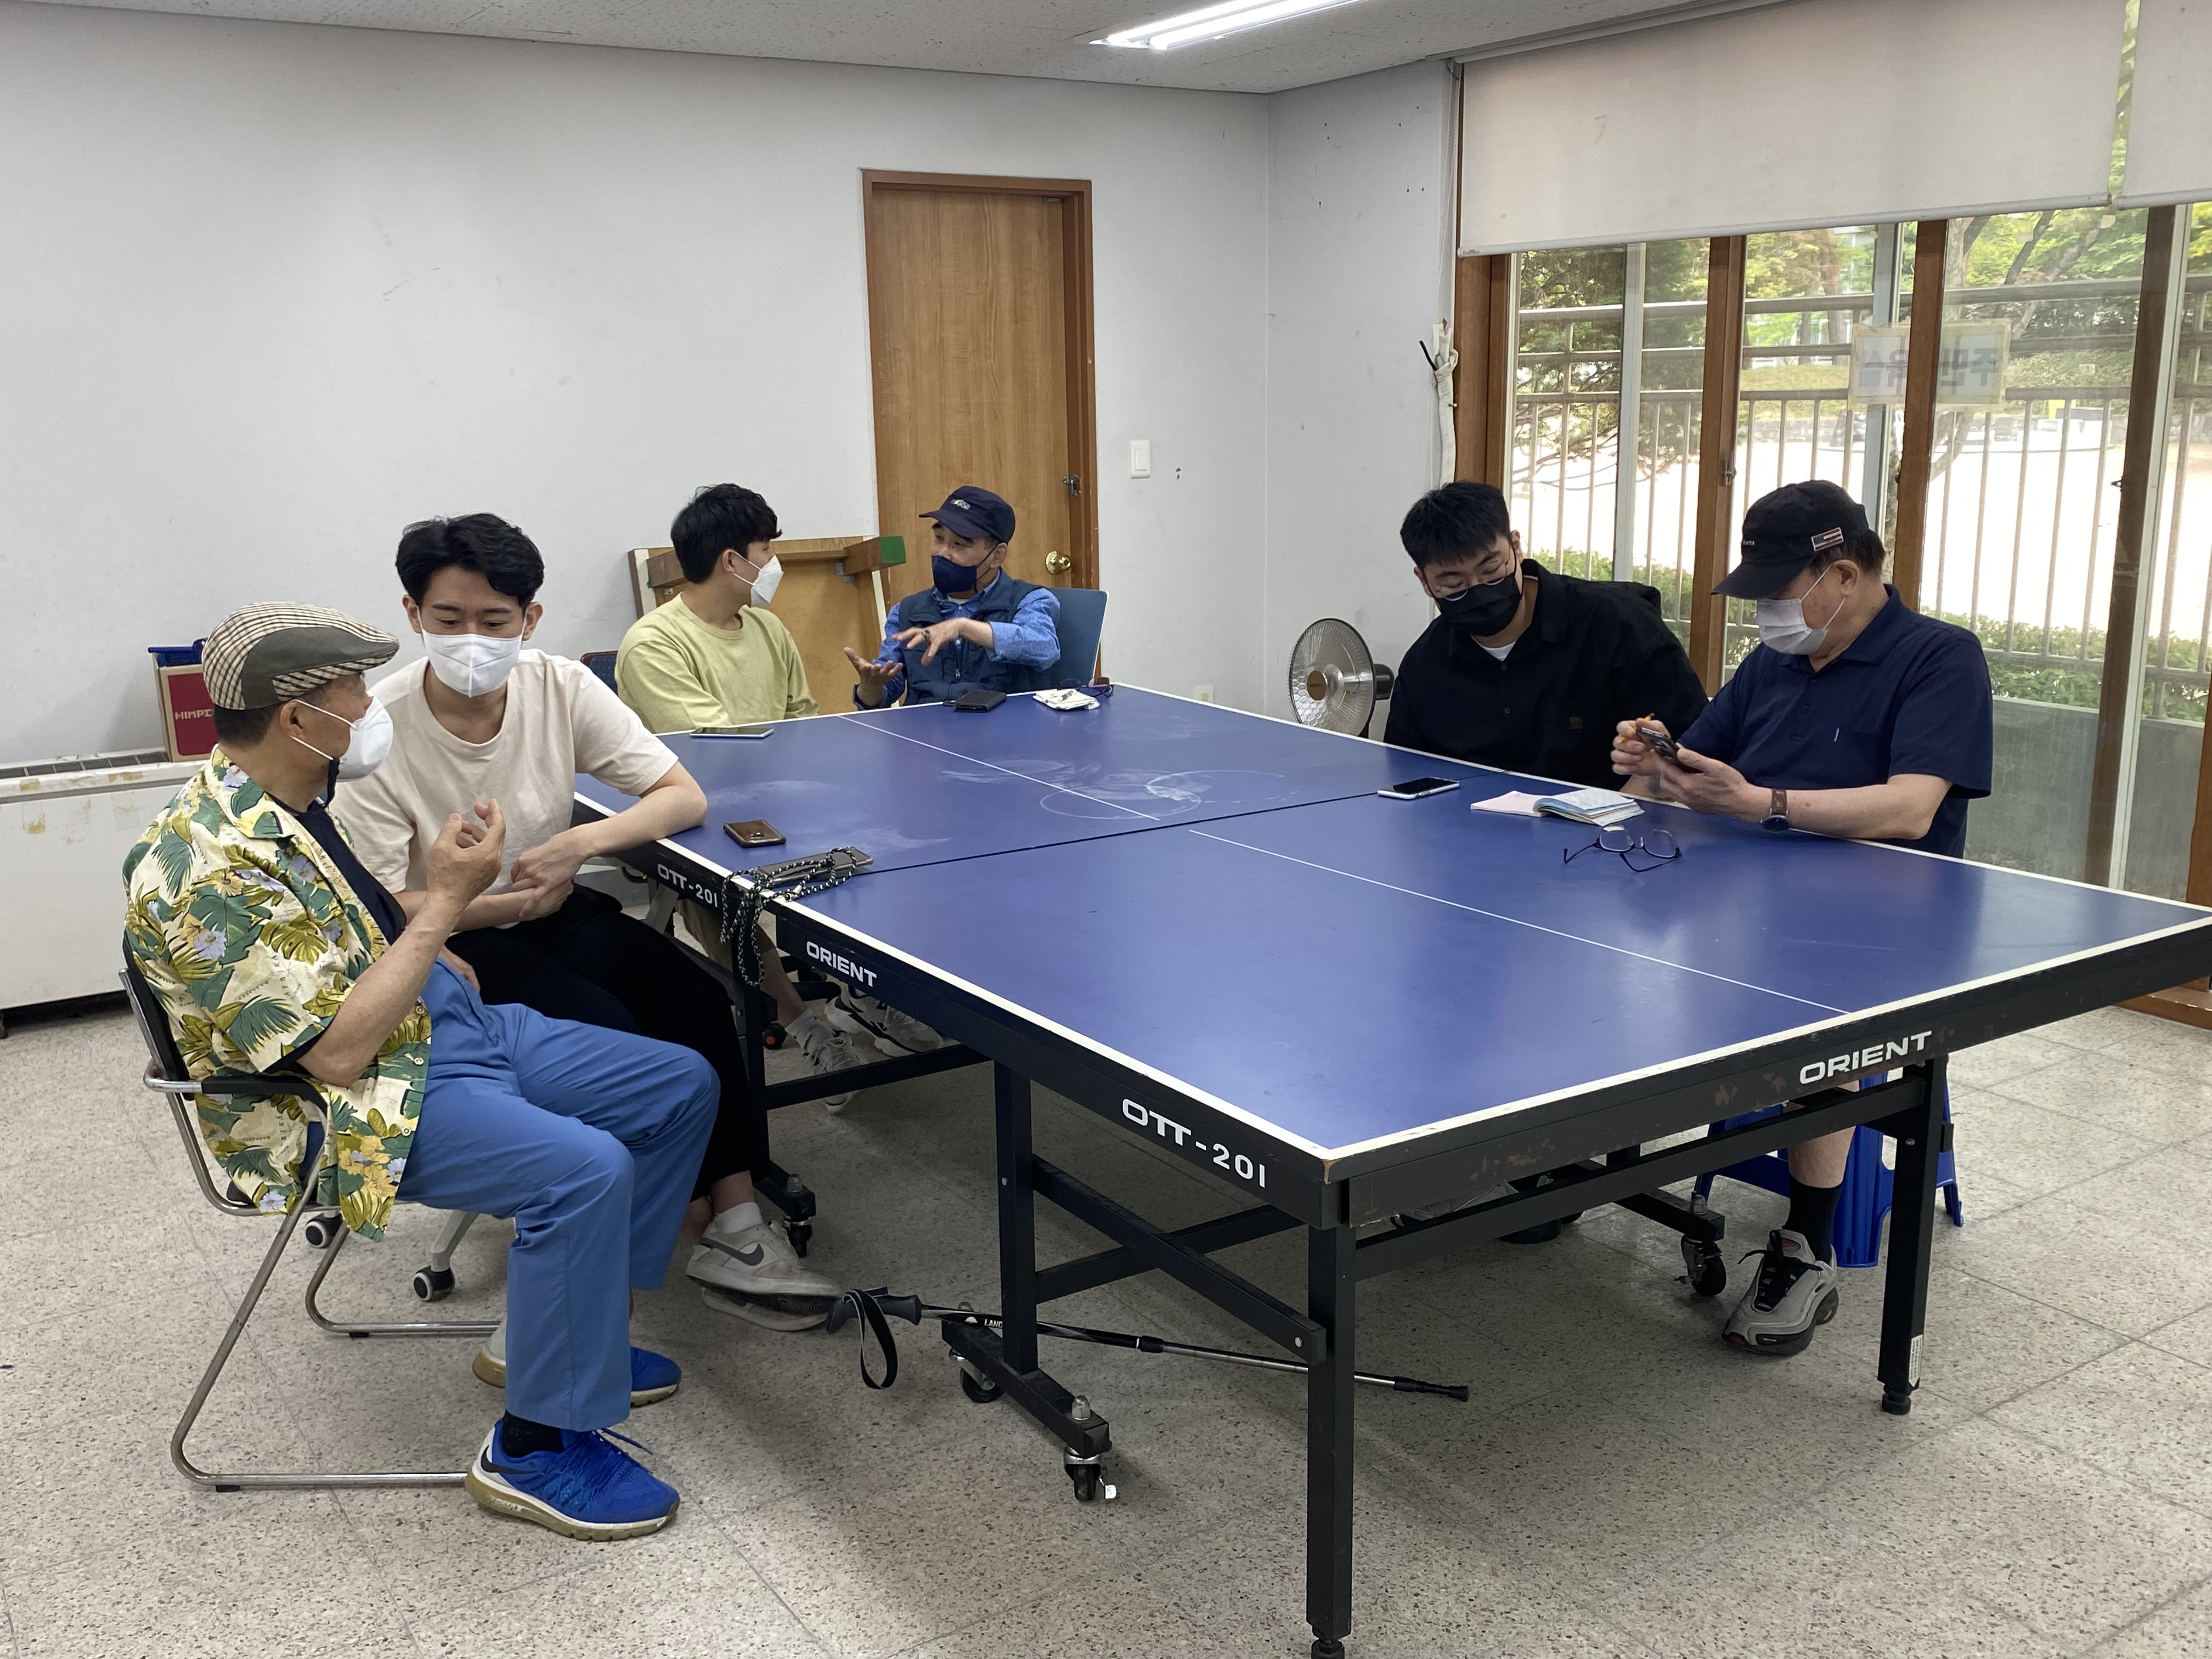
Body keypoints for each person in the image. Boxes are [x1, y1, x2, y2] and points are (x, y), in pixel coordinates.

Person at [125, 603, 717, 1539]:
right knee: (584, 1169)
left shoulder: (286, 799)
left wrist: (456, 919)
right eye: (352, 691)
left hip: (434, 1028)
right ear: (297, 717)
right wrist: (442, 909)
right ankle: (534, 1447)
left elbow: (355, 926)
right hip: (350, 1100)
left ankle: (570, 1335)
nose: (371, 706)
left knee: (679, 1084)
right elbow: (334, 1052)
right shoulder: (202, 866)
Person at [336, 514, 842, 1330]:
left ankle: (739, 1223)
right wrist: (491, 902)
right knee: (612, 1029)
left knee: (696, 1000)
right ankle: (677, 1221)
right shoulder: (379, 729)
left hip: (556, 904)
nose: (472, 641)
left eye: (495, 620)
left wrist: (579, 843)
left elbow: (681, 796)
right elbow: (383, 903)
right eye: (448, 619)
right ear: (412, 614)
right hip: (456, 940)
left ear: (530, 619)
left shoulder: (559, 686)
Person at [1611, 479, 1993, 1359]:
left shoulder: (1940, 658)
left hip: (1882, 920)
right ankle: (1559, 1162)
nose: (1766, 615)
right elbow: (1696, 773)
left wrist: (1760, 803)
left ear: (1844, 575)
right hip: (1746, 898)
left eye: (1778, 593)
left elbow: (1911, 809)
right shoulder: (1773, 665)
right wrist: (1654, 760)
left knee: (1825, 1016)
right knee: (1617, 954)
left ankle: (1805, 1243)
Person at [617, 483, 939, 1064]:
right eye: (766, 550)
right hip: (697, 810)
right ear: (731, 561)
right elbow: (710, 750)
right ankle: (802, 1024)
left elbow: (802, 724)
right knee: (718, 895)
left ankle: (862, 994)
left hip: (781, 797)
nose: (773, 563)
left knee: (865, 852)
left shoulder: (768, 630)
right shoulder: (654, 644)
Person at [1386, 481, 1707, 787]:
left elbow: (1690, 747)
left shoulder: (1619, 625)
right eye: (1454, 584)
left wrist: (1612, 818)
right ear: (1424, 582)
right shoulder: (1424, 666)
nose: (1479, 590)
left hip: (1609, 820)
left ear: (1515, 547)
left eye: (1491, 570)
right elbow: (1405, 774)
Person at [843, 486, 1060, 708]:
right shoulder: (906, 611)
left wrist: (962, 627)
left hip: (1004, 724)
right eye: (939, 539)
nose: (943, 553)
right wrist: (870, 688)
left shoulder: (1029, 600)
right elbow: (884, 691)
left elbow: (1044, 648)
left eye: (959, 545)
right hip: (927, 726)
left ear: (997, 555)